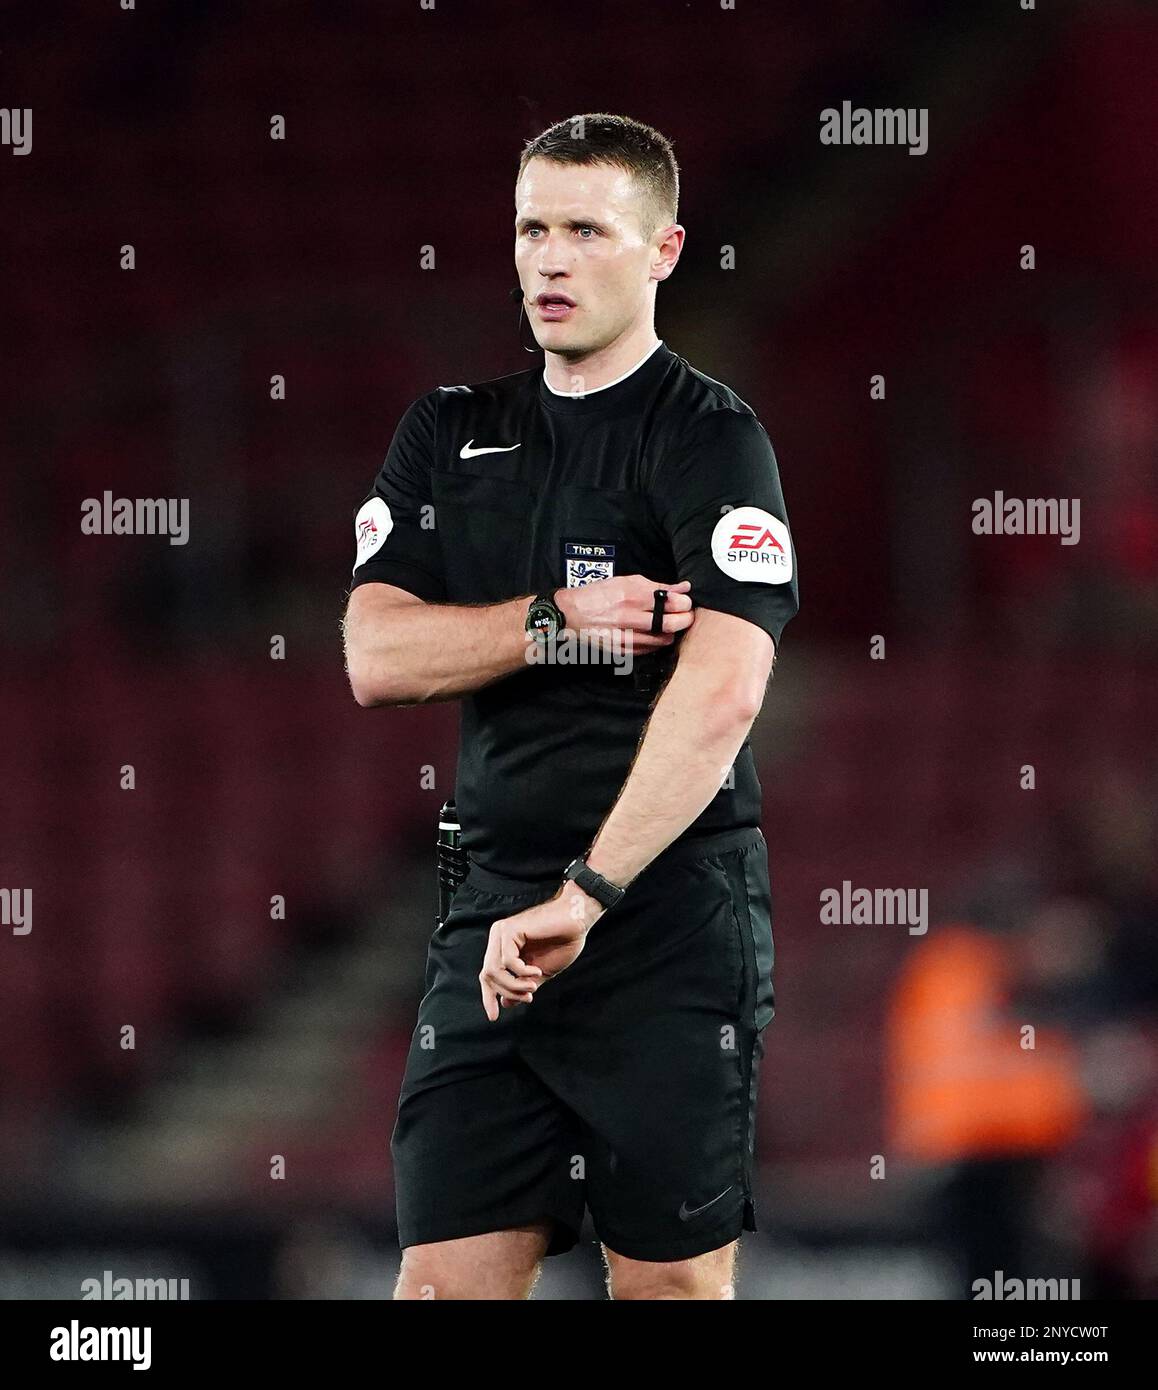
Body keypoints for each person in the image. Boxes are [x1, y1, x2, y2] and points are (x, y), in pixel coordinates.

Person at [343, 113, 799, 1300]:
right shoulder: (449, 430)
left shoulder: (712, 440)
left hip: (662, 917)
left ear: (664, 250)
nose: (549, 257)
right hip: (489, 914)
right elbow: (374, 654)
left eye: (585, 230)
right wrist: (554, 618)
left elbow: (729, 686)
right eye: (531, 228)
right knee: (440, 1286)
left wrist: (590, 891)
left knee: (668, 1292)